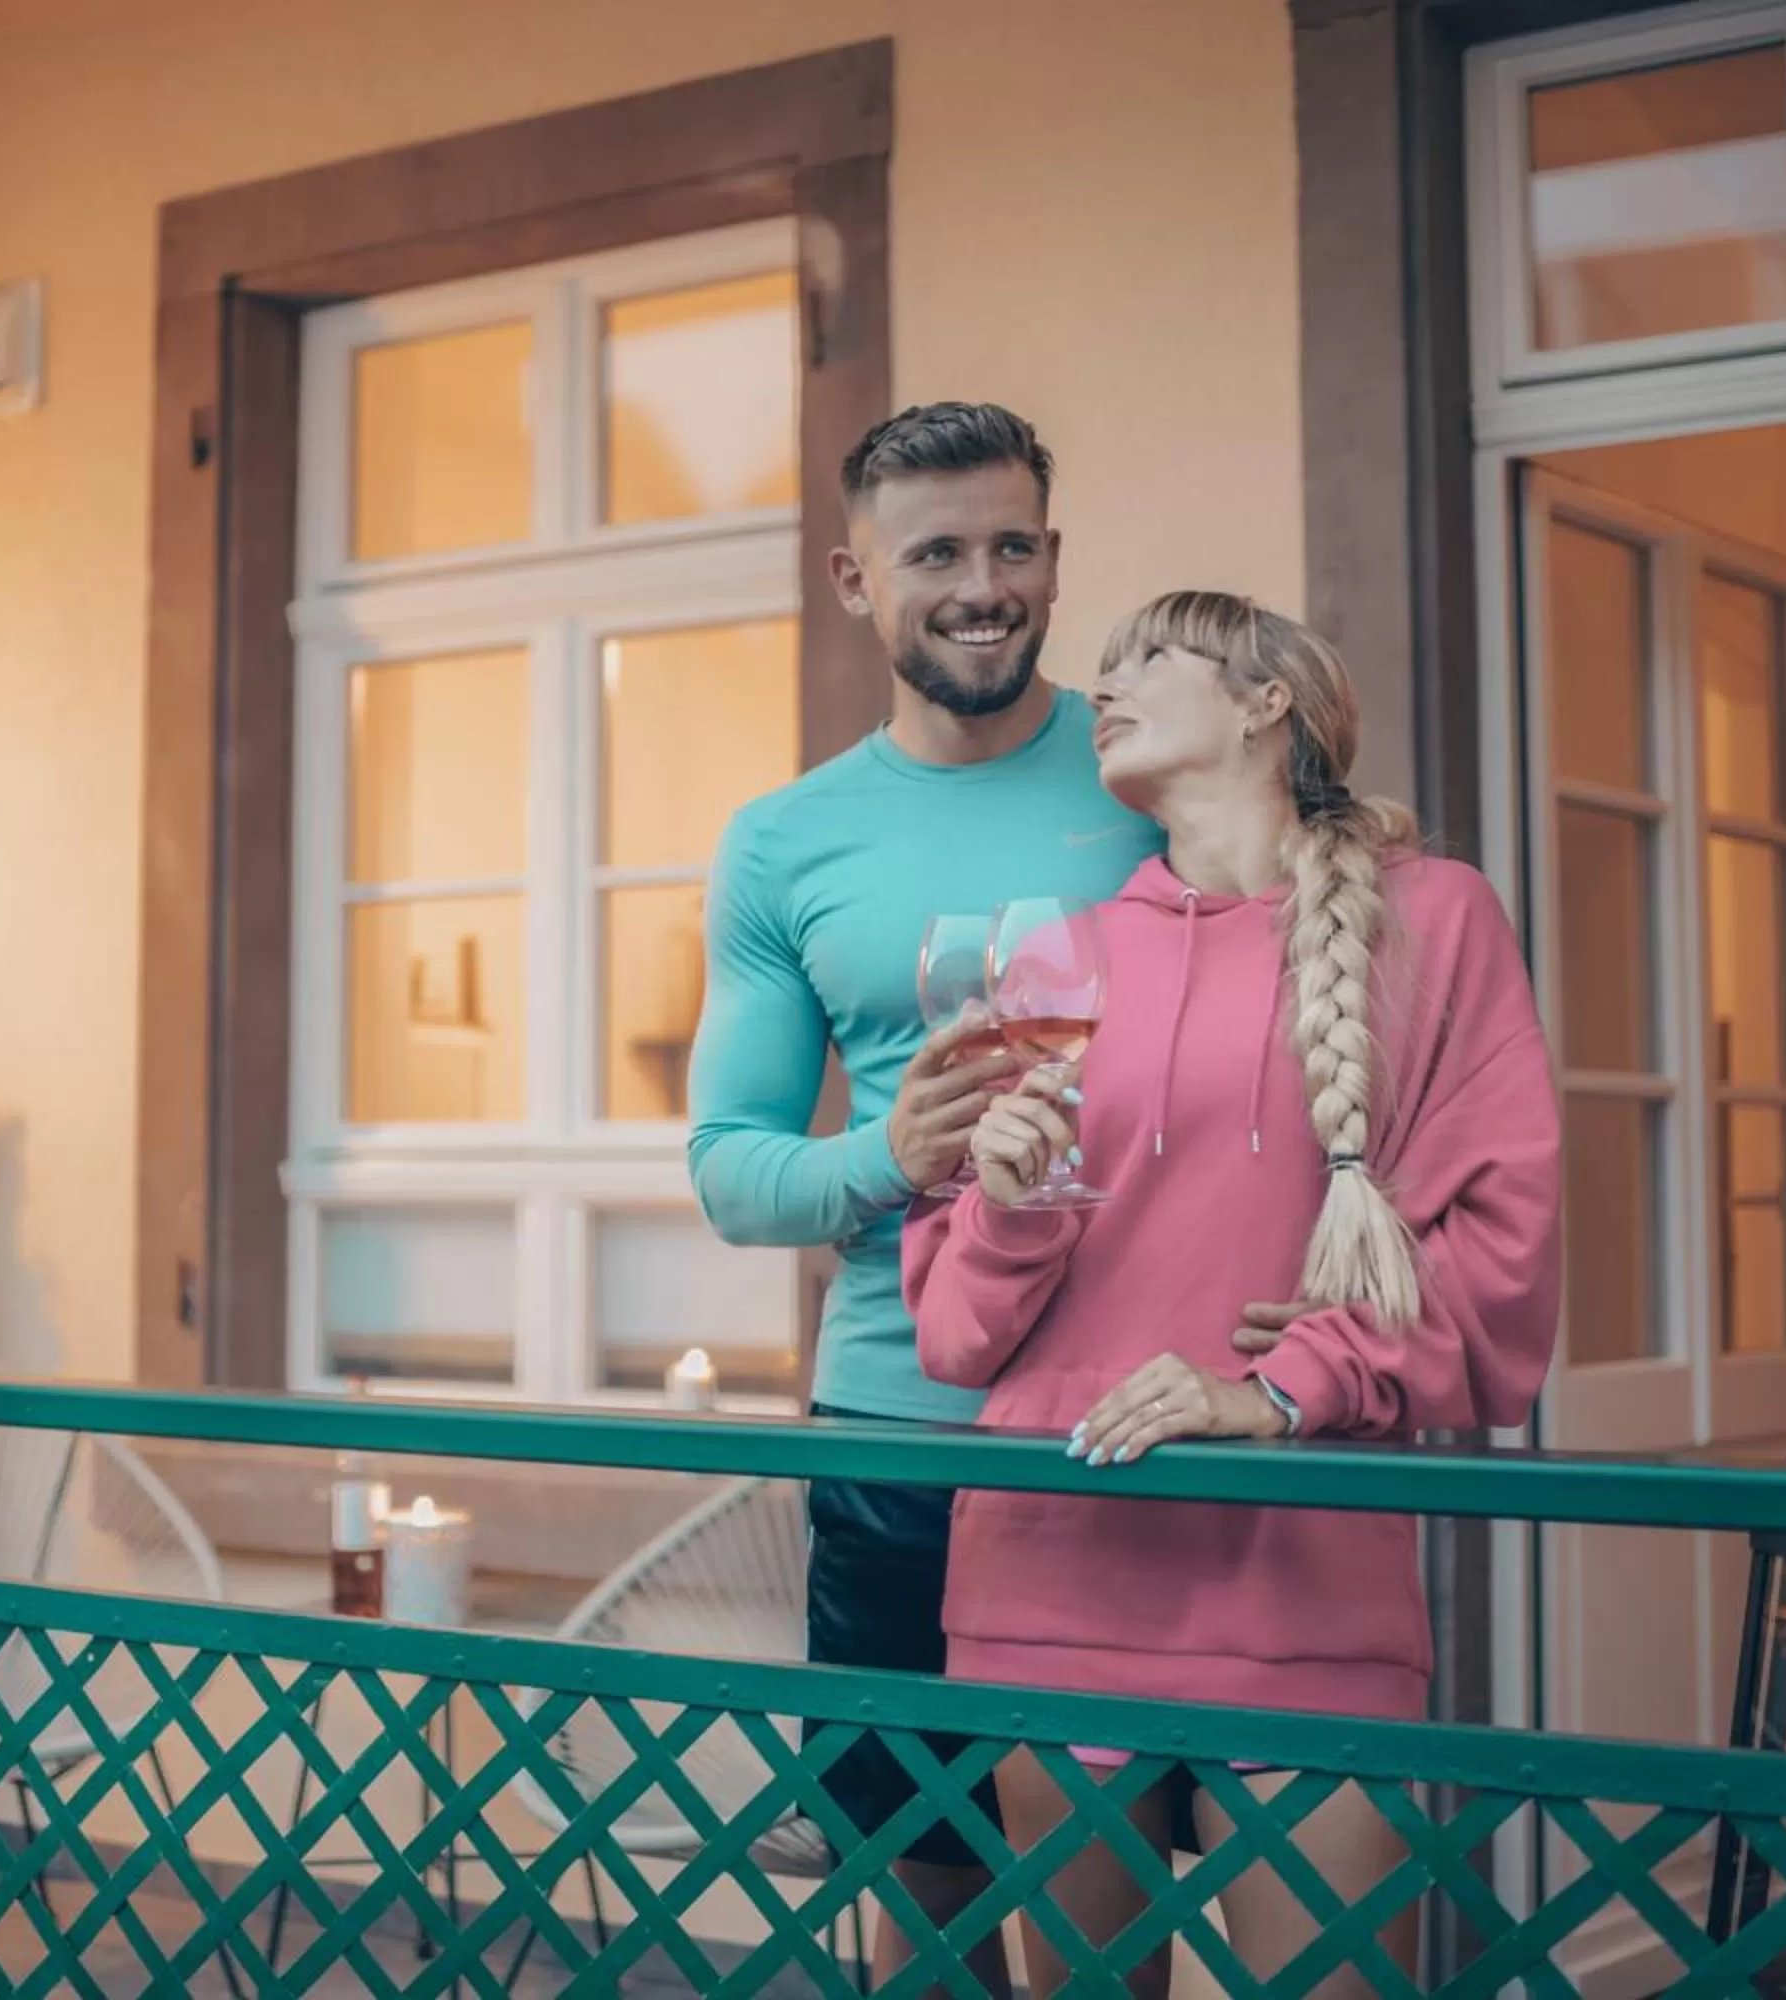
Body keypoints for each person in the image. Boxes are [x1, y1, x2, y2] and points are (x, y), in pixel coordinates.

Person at [904, 590, 1562, 1998]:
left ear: (1269, 702)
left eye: (1152, 656)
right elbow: (954, 1335)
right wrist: (1008, 1210)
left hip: (1302, 1572)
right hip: (1052, 1560)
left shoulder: (1432, 921)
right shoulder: (1053, 954)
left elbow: (1503, 1254)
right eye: (1104, 666)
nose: (1107, 684)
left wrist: (1282, 1387)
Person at [685, 403, 1163, 1992]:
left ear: (1054, 560)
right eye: (937, 552)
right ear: (855, 579)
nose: (982, 586)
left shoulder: (1150, 772)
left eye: (1013, 546)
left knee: (1106, 1927)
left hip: (1126, 1428)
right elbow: (732, 1168)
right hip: (897, 1436)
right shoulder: (784, 844)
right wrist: (887, 1158)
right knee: (930, 1904)